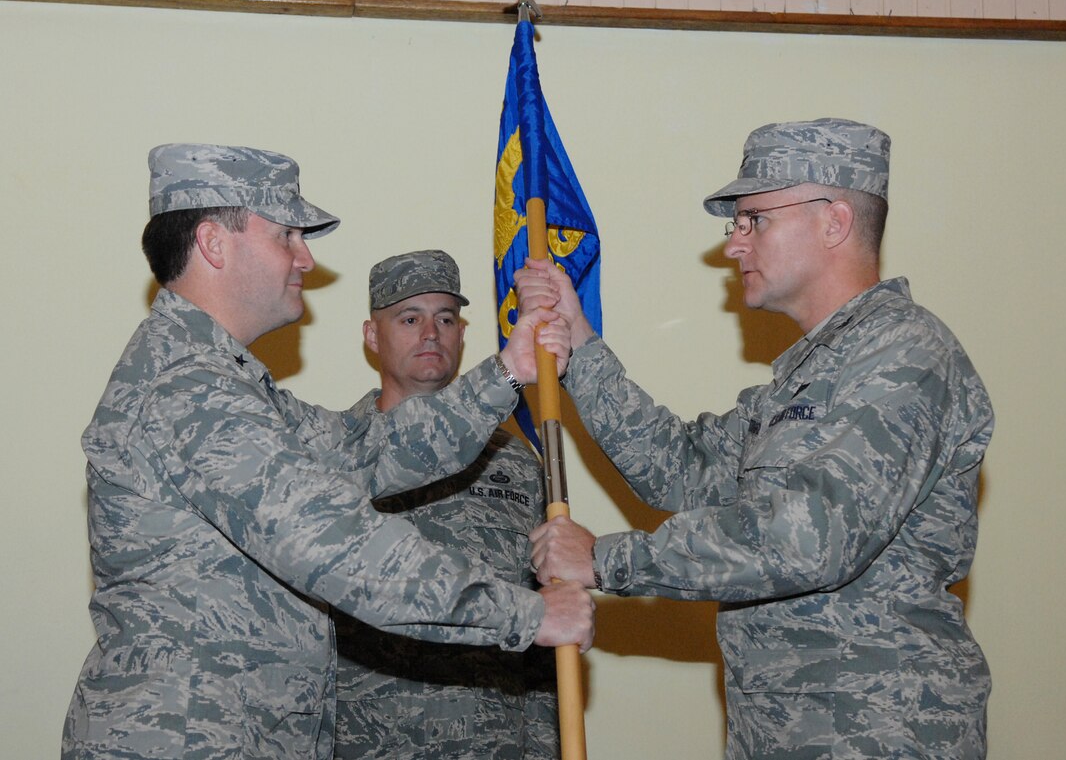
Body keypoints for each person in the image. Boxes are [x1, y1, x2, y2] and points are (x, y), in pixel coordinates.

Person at [63, 144, 593, 760]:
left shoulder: (227, 381)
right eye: (287, 235)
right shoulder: (187, 388)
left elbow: (365, 450)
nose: (305, 259)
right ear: (214, 243)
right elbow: (336, 545)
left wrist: (505, 371)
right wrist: (527, 616)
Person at [519, 119, 994, 759]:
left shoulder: (906, 355)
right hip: (783, 735)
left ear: (833, 222)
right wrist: (580, 347)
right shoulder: (804, 378)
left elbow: (811, 539)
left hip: (877, 732)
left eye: (754, 220)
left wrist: (606, 560)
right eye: (735, 224)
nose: (733, 246)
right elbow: (680, 469)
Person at [332, 249, 558, 760]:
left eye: (446, 318)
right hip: (368, 741)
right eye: (409, 318)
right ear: (372, 336)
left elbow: (542, 617)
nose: (430, 333)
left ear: (462, 334)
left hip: (495, 740)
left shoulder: (519, 464)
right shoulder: (338, 458)